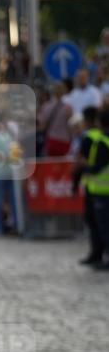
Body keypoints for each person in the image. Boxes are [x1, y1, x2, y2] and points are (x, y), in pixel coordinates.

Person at [73, 106, 104, 266]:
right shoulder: (101, 136)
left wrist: (75, 183)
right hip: (99, 186)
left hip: (95, 186)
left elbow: (81, 163)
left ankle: (96, 254)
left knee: (94, 223)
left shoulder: (88, 138)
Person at [83, 107, 109, 271]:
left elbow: (97, 167)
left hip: (101, 191)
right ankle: (98, 254)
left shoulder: (102, 141)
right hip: (100, 190)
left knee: (104, 227)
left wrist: (84, 169)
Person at [37, 81, 73, 157]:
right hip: (65, 141)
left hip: (51, 140)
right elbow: (71, 126)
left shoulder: (46, 106)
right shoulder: (68, 107)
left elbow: (41, 126)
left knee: (51, 164)